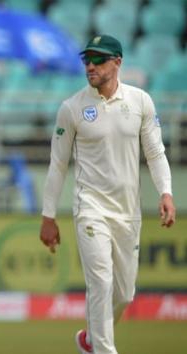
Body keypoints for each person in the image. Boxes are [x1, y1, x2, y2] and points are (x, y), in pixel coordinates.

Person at [39, 35, 176, 354]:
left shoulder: (140, 101)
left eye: (99, 60)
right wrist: (48, 215)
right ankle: (104, 350)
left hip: (128, 213)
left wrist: (166, 192)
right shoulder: (72, 107)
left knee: (125, 294)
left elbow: (155, 153)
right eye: (86, 59)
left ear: (117, 62)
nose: (90, 65)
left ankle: (89, 339)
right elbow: (58, 164)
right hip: (90, 209)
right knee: (100, 283)